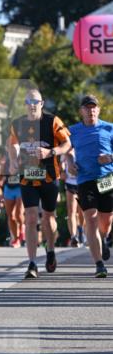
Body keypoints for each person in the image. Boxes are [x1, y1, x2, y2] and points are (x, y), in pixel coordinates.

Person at [8, 88, 71, 280]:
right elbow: (12, 143)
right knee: (30, 217)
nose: (33, 105)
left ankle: (50, 249)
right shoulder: (17, 123)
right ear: (25, 104)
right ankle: (32, 262)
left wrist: (50, 152)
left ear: (42, 104)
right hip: (27, 177)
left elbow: (67, 144)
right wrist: (12, 160)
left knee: (48, 218)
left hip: (50, 177)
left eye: (36, 102)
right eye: (29, 102)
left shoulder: (53, 121)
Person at [68, 94, 113, 278]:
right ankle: (99, 264)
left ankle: (104, 238)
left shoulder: (109, 128)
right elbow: (66, 149)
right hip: (85, 180)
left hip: (106, 178)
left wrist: (109, 158)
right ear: (81, 111)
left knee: (106, 220)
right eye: (87, 107)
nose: (91, 110)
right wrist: (70, 161)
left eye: (94, 107)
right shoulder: (73, 131)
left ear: (98, 110)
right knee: (91, 219)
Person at [0, 149, 25, 247]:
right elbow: (0, 178)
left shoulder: (22, 157)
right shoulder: (5, 160)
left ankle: (22, 228)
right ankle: (16, 238)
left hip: (20, 187)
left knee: (18, 214)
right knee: (11, 216)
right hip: (8, 188)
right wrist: (1, 166)